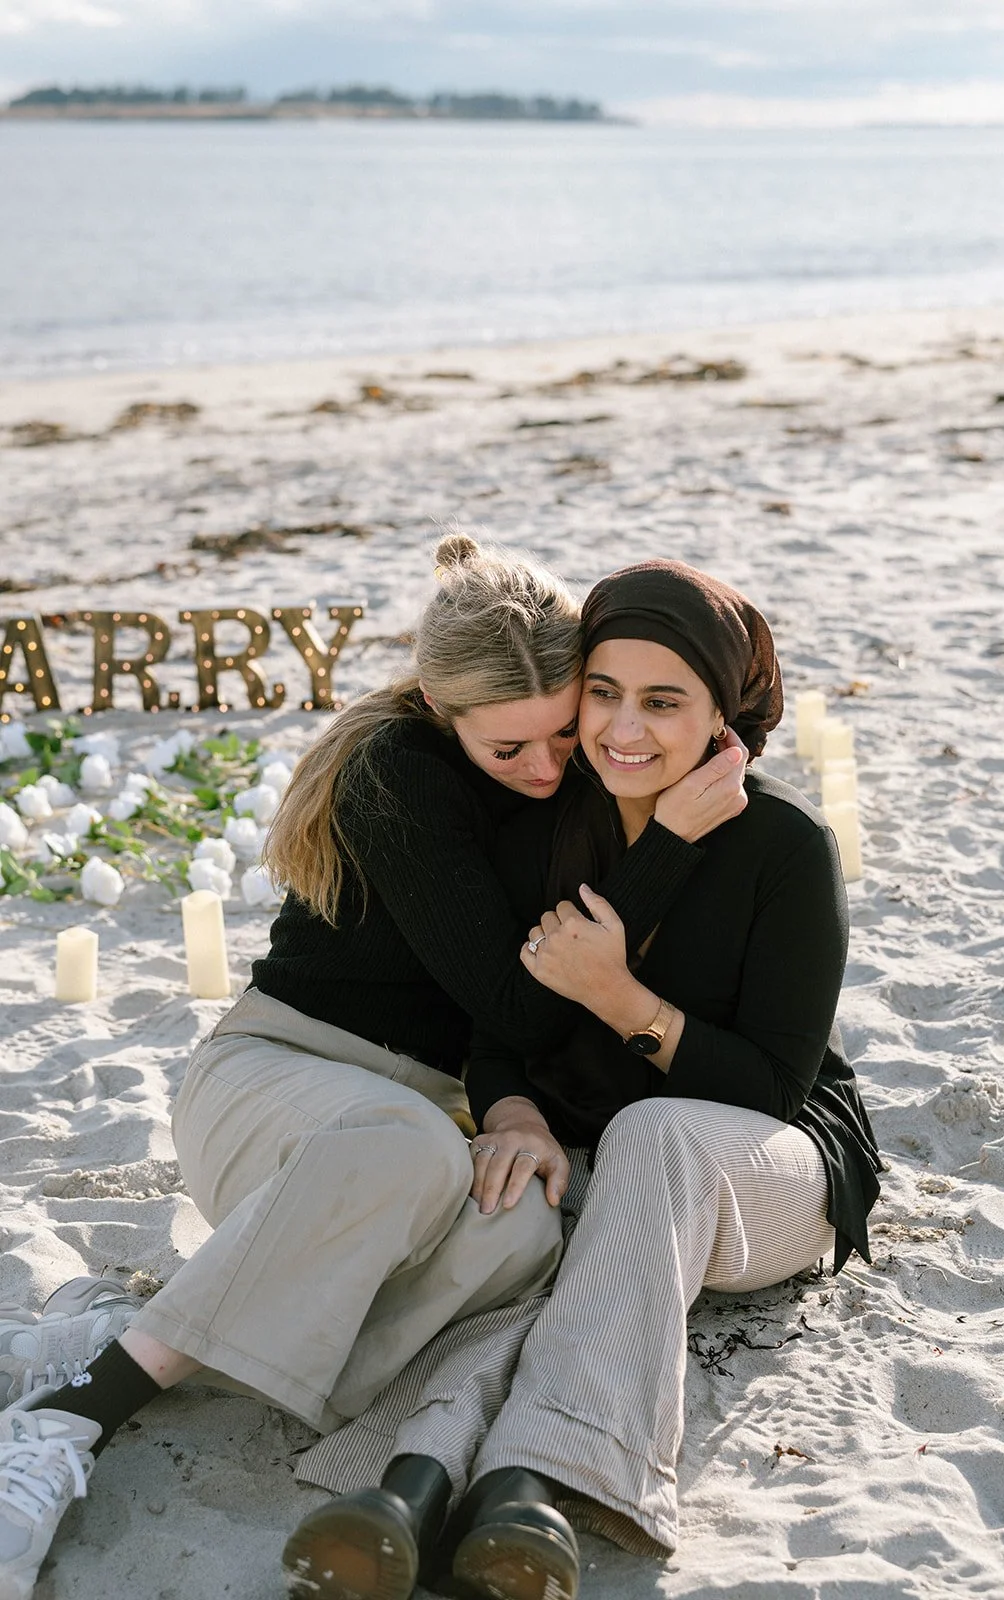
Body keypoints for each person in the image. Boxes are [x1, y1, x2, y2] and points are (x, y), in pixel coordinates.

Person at [0, 537, 749, 1600]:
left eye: (559, 736)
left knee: (523, 1229)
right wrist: (664, 843)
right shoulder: (393, 775)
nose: (544, 770)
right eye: (507, 751)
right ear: (445, 714)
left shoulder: (576, 774)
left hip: (416, 1134)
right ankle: (74, 1414)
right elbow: (514, 1001)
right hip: (278, 1082)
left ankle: (127, 1330)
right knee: (410, 1150)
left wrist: (518, 1111)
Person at [388, 558, 882, 1600]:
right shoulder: (545, 832)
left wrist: (622, 1001)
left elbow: (769, 1091)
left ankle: (542, 1474)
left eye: (663, 702)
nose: (621, 728)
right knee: (529, 1232)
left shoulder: (785, 848)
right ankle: (415, 1483)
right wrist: (511, 1111)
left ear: (722, 714)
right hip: (606, 1156)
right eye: (602, 693)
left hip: (772, 1170)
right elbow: (499, 1031)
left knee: (652, 1137)